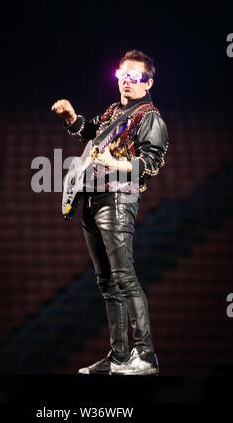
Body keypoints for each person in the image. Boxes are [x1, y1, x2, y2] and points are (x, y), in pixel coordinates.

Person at [51, 49, 168, 375]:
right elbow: (92, 133)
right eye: (123, 75)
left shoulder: (150, 117)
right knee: (107, 282)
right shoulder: (115, 111)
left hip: (117, 200)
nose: (128, 81)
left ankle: (145, 355)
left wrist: (115, 163)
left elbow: (151, 162)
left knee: (124, 278)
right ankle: (118, 357)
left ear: (148, 83)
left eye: (136, 77)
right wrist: (72, 119)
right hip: (91, 199)